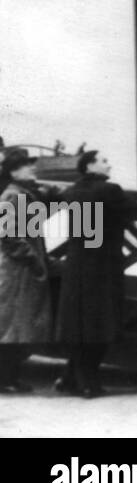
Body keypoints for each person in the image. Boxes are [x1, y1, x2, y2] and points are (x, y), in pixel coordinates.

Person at [54, 151, 129, 398]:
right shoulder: (109, 190)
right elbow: (135, 210)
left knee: (80, 323)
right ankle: (87, 382)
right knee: (102, 323)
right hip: (103, 266)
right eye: (104, 160)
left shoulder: (71, 191)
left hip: (77, 264)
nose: (110, 163)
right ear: (90, 166)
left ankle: (70, 377)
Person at [0, 147, 54, 393]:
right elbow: (7, 236)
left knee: (18, 323)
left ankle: (9, 377)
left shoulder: (23, 194)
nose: (32, 168)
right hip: (16, 270)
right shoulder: (12, 196)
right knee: (12, 324)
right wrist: (33, 259)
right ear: (13, 171)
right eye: (26, 165)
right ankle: (6, 379)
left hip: (21, 268)